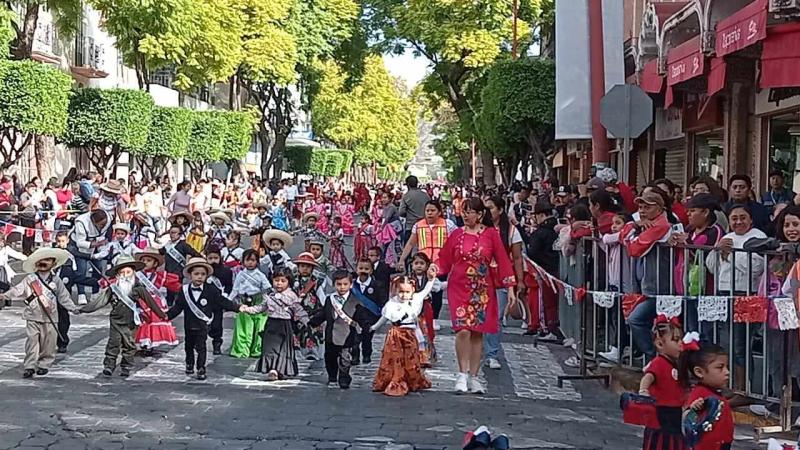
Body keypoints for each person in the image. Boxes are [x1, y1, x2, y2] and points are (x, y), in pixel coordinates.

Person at [436, 197, 517, 394]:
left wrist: (511, 287)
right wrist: (432, 270)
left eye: (470, 211)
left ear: (480, 214)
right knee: (463, 329)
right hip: (459, 286)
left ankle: (474, 376)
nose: (465, 215)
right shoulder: (456, 234)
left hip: (482, 288)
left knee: (477, 331)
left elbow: (503, 261)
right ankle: (461, 373)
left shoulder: (491, 235)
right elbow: (444, 259)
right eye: (464, 211)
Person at [80, 256, 167, 378]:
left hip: (131, 321)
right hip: (116, 320)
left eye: (128, 272)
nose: (125, 275)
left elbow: (150, 301)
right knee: (113, 343)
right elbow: (100, 301)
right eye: (122, 273)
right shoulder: (113, 288)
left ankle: (126, 366)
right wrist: (84, 309)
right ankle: (109, 366)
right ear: (117, 274)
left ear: (133, 273)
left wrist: (161, 314)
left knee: (129, 345)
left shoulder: (138, 288)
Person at [0, 248, 80, 378]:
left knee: (49, 342)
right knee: (32, 341)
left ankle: (44, 364)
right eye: (41, 260)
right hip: (33, 314)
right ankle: (30, 366)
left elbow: (63, 296)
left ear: (53, 264)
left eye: (47, 260)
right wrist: (5, 296)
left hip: (51, 316)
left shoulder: (56, 280)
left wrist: (72, 308)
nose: (43, 262)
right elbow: (18, 290)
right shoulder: (30, 279)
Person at [167, 257, 244, 380]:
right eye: (196, 274)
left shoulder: (211, 289)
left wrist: (238, 307)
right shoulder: (184, 290)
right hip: (189, 324)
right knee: (188, 346)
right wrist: (166, 316)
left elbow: (222, 301)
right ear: (190, 275)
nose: (199, 277)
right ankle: (189, 364)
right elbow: (178, 307)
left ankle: (201, 368)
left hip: (203, 325)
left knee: (201, 347)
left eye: (203, 274)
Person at [621, 190, 675, 360]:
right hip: (651, 286)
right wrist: (634, 226)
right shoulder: (647, 224)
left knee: (637, 320)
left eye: (647, 207)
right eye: (641, 206)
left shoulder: (661, 226)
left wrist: (632, 231)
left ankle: (655, 358)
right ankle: (658, 361)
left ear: (659, 208)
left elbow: (633, 248)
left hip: (662, 287)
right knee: (657, 327)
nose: (642, 211)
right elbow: (624, 235)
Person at [370, 268, 437, 397]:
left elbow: (425, 291)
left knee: (411, 357)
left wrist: (431, 279)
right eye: (401, 292)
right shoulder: (392, 303)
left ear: (412, 290)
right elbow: (385, 317)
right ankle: (395, 379)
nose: (404, 295)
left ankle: (411, 380)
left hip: (410, 334)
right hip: (395, 334)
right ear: (396, 290)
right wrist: (374, 327)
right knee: (394, 358)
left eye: (407, 292)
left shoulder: (416, 299)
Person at [307, 270, 374, 389]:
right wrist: (312, 322)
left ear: (351, 284)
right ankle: (332, 377)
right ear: (334, 284)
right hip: (331, 335)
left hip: (347, 335)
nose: (342, 287)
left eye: (345, 284)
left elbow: (362, 316)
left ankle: (344, 377)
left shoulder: (355, 301)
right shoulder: (329, 300)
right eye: (339, 284)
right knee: (330, 357)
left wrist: (366, 326)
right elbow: (323, 314)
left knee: (345, 359)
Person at [241, 267, 308, 381]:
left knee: (282, 350)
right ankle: (272, 369)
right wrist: (247, 309)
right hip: (271, 324)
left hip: (285, 325)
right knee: (269, 348)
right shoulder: (269, 295)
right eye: (276, 280)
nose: (279, 283)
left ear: (288, 282)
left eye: (283, 281)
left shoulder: (292, 296)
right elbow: (261, 307)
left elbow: (298, 310)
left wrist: (308, 322)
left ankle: (279, 370)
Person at [483, 196, 525, 368]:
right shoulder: (479, 229)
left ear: (500, 210)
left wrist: (519, 281)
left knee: (496, 317)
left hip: (501, 278)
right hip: (480, 278)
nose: (487, 212)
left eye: (491, 208)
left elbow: (517, 258)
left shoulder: (511, 231)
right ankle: (478, 350)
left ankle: (492, 353)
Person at [637, 316, 686, 450]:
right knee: (661, 442)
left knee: (673, 440)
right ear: (659, 344)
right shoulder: (658, 363)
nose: (680, 343)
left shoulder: (674, 364)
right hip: (661, 412)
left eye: (680, 339)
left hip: (674, 411)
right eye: (675, 340)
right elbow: (648, 377)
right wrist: (643, 390)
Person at [679, 339, 733, 450]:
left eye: (727, 367)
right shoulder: (700, 394)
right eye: (720, 367)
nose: (727, 372)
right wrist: (694, 409)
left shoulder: (714, 393)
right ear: (699, 372)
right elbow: (687, 419)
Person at [134, 248, 180, 352]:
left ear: (155, 263)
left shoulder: (160, 276)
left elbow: (175, 286)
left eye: (148, 261)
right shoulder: (137, 275)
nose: (145, 263)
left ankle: (151, 342)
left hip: (155, 302)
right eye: (143, 260)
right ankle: (144, 341)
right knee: (143, 321)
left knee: (153, 321)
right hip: (141, 301)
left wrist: (184, 291)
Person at [229, 249, 272, 358]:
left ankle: (257, 350)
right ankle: (242, 350)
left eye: (253, 260)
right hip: (244, 302)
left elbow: (267, 288)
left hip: (258, 302)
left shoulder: (261, 275)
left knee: (259, 328)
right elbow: (235, 290)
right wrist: (229, 302)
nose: (250, 263)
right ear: (243, 261)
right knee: (244, 328)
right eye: (247, 260)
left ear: (257, 261)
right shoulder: (240, 275)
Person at [69, 209, 112, 305]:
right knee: (82, 270)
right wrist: (96, 244)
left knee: (99, 268)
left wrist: (102, 244)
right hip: (80, 246)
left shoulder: (108, 218)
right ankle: (81, 293)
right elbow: (80, 243)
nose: (102, 226)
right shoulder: (81, 222)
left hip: (98, 245)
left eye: (104, 224)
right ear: (93, 222)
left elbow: (107, 233)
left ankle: (95, 292)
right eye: (101, 224)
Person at [349, 258, 387, 365]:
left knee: (367, 338)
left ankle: (366, 355)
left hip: (370, 317)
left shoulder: (377, 285)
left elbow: (382, 301)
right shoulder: (351, 285)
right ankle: (355, 357)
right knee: (354, 339)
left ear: (371, 270)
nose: (363, 271)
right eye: (361, 268)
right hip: (354, 316)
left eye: (366, 269)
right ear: (356, 270)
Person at [160, 224, 202, 306]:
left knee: (177, 289)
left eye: (175, 232)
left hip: (178, 272)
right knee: (169, 290)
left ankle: (179, 304)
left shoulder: (183, 245)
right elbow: (160, 252)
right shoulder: (167, 245)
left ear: (180, 234)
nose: (172, 235)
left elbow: (194, 253)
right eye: (171, 233)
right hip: (168, 271)